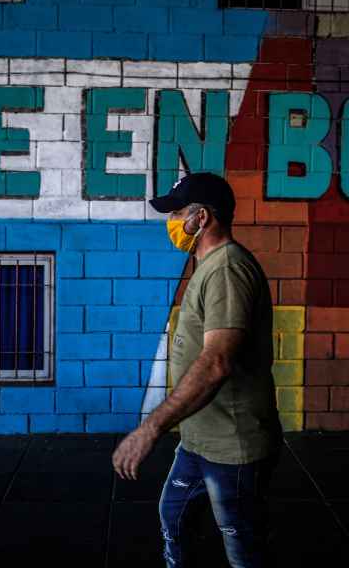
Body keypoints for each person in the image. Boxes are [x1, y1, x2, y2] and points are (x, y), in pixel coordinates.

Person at [111, 172, 283, 568]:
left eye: (176, 213)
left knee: (243, 550)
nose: (171, 222)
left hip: (232, 445)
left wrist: (150, 427)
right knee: (175, 518)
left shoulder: (227, 269)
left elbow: (217, 361)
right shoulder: (208, 265)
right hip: (200, 438)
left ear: (201, 217)